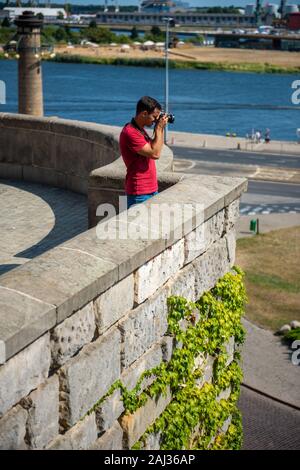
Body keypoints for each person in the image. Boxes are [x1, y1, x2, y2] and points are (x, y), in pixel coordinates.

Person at [119, 96, 168, 209]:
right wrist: (159, 128)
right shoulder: (130, 132)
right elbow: (155, 153)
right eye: (154, 117)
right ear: (144, 113)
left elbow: (155, 147)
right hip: (139, 192)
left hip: (150, 189)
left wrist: (159, 128)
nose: (155, 120)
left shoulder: (140, 130)